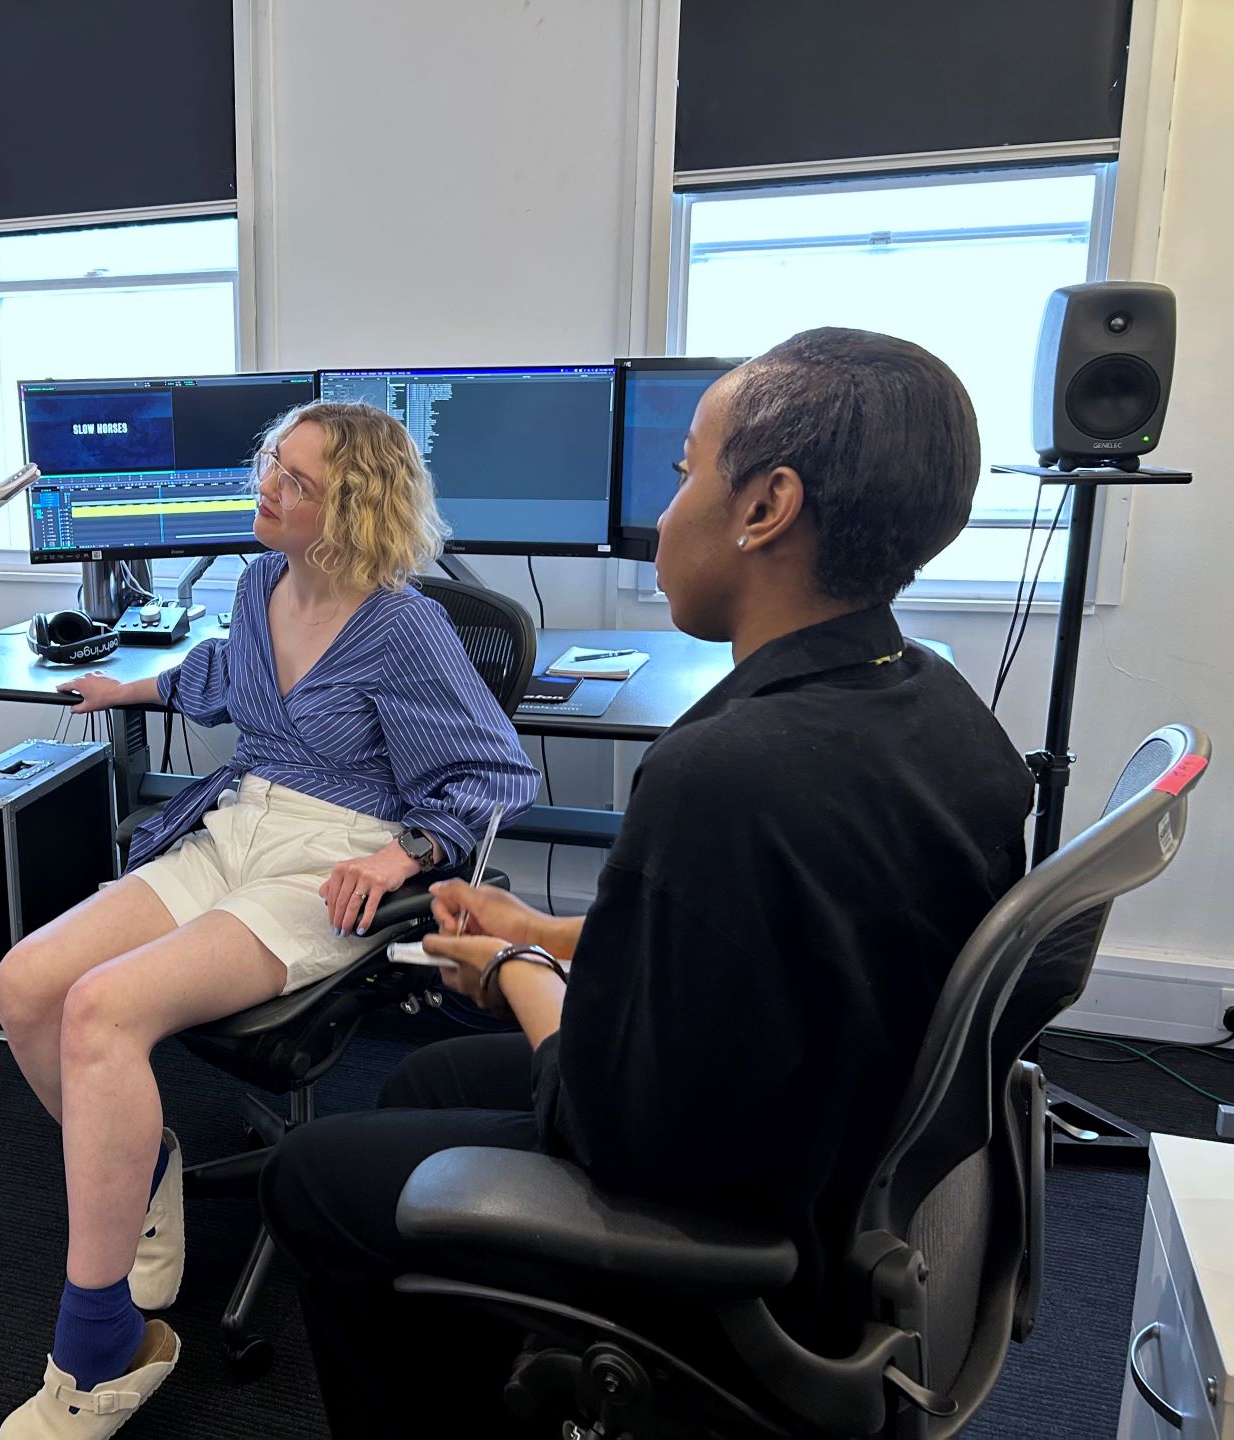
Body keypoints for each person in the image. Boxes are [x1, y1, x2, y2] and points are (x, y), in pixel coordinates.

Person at [259, 328, 1037, 1437]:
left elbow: (602, 1123)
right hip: (830, 1138)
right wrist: (546, 927)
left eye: (681, 477)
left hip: (736, 1220)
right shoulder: (939, 709)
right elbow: (747, 941)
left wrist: (516, 965)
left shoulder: (724, 772)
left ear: (765, 507)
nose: (664, 516)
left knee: (312, 1175)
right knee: (425, 1087)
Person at [0, 401, 540, 1436]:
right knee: (26, 983)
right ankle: (143, 1162)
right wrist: (128, 686)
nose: (265, 491)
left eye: (293, 481)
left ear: (354, 508)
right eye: (269, 468)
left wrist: (406, 848)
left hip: (329, 859)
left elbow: (491, 772)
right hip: (237, 826)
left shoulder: (405, 626)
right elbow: (219, 678)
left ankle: (101, 1349)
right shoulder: (258, 586)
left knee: (103, 1012)